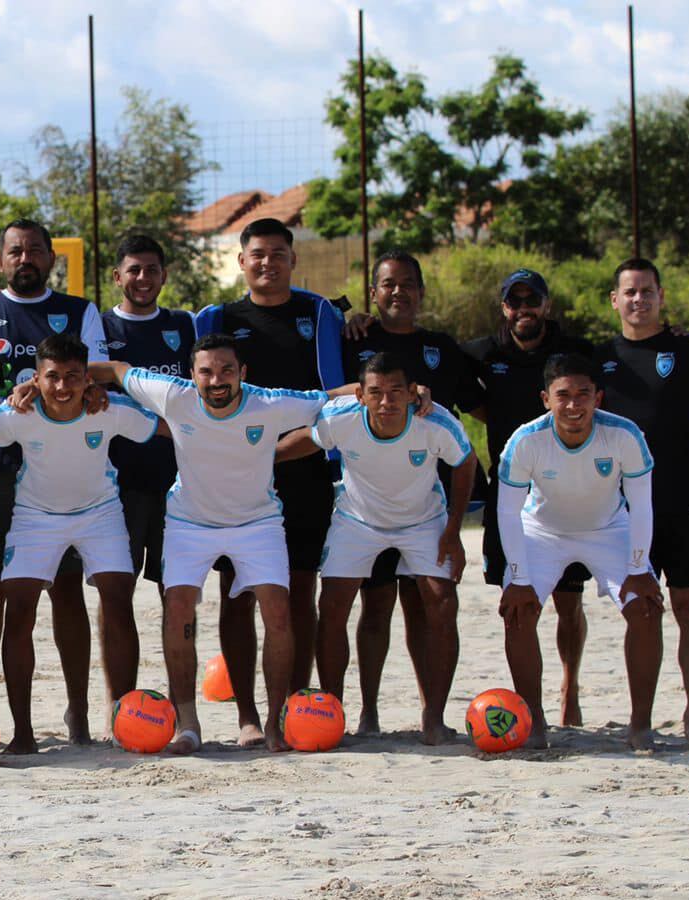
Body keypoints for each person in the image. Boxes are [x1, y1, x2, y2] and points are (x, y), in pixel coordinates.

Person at [88, 335, 347, 753]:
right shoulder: (173, 395)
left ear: (243, 373)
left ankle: (273, 724)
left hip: (257, 522)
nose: (216, 380)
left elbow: (332, 396)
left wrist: (400, 393)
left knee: (278, 611)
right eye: (206, 371)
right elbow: (117, 370)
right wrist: (65, 381)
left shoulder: (269, 403)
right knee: (178, 608)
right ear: (192, 375)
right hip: (190, 521)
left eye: (227, 370)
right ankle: (187, 724)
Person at [0, 218, 109, 744]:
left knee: (66, 593)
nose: (25, 258)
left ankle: (78, 712)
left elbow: (98, 376)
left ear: (52, 257)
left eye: (35, 250)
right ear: (0, 261)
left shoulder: (80, 311)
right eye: (15, 251)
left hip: (61, 471)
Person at [192, 216, 348, 740]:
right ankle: (247, 717)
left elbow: (329, 393)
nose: (267, 263)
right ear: (242, 261)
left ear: (292, 260)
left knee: (298, 591)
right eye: (257, 254)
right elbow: (198, 390)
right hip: (235, 476)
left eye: (278, 254)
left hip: (302, 468)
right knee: (236, 594)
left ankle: (293, 707)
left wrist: (290, 450)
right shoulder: (215, 317)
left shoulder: (319, 312)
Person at [278, 353, 477, 744]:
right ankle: (333, 713)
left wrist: (453, 530)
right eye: (376, 392)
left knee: (442, 603)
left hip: (422, 521)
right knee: (332, 606)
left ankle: (434, 718)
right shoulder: (341, 417)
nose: (386, 401)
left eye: (395, 391)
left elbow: (465, 462)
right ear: (361, 395)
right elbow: (307, 439)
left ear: (412, 392)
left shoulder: (435, 422)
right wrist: (262, 456)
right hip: (358, 520)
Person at [340, 251, 487, 733]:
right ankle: (368, 713)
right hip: (370, 500)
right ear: (373, 293)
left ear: (421, 292)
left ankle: (432, 713)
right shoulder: (355, 339)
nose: (398, 292)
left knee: (426, 604)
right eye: (388, 284)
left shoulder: (441, 347)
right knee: (375, 605)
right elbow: (333, 393)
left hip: (428, 501)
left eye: (407, 284)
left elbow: (478, 402)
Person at [0, 334, 157, 753]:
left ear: (88, 378)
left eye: (73, 376)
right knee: (19, 607)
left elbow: (160, 424)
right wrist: (13, 393)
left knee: (117, 596)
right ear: (36, 379)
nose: (62, 386)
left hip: (99, 512)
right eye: (52, 377)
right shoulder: (16, 415)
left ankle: (123, 720)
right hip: (36, 516)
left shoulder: (109, 409)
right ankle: (23, 732)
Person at [594, 258, 689, 738]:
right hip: (624, 509)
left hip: (683, 499)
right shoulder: (599, 359)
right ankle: (642, 719)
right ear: (615, 300)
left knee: (688, 607)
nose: (639, 299)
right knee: (642, 611)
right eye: (630, 292)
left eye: (647, 291)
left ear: (661, 295)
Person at [496, 353, 664, 751]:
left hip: (608, 528)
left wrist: (639, 568)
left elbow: (641, 506)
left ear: (598, 397)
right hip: (543, 530)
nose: (574, 405)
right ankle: (535, 723)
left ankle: (640, 725)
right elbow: (507, 512)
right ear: (546, 399)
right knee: (518, 611)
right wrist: (518, 577)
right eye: (563, 396)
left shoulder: (624, 435)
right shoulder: (525, 440)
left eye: (583, 394)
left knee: (646, 607)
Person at [463, 268, 595, 727]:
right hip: (510, 494)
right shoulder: (483, 353)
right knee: (517, 604)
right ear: (504, 307)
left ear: (546, 304)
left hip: (565, 493)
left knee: (568, 603)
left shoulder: (574, 350)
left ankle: (570, 687)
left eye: (532, 300)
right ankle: (532, 711)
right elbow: (452, 384)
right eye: (514, 301)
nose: (524, 309)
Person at [99, 234, 195, 695]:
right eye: (133, 270)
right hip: (116, 484)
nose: (142, 278)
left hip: (180, 483)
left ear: (164, 275)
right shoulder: (98, 328)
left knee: (177, 598)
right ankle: (119, 706)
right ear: (117, 276)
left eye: (151, 269)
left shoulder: (185, 325)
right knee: (116, 596)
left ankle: (182, 708)